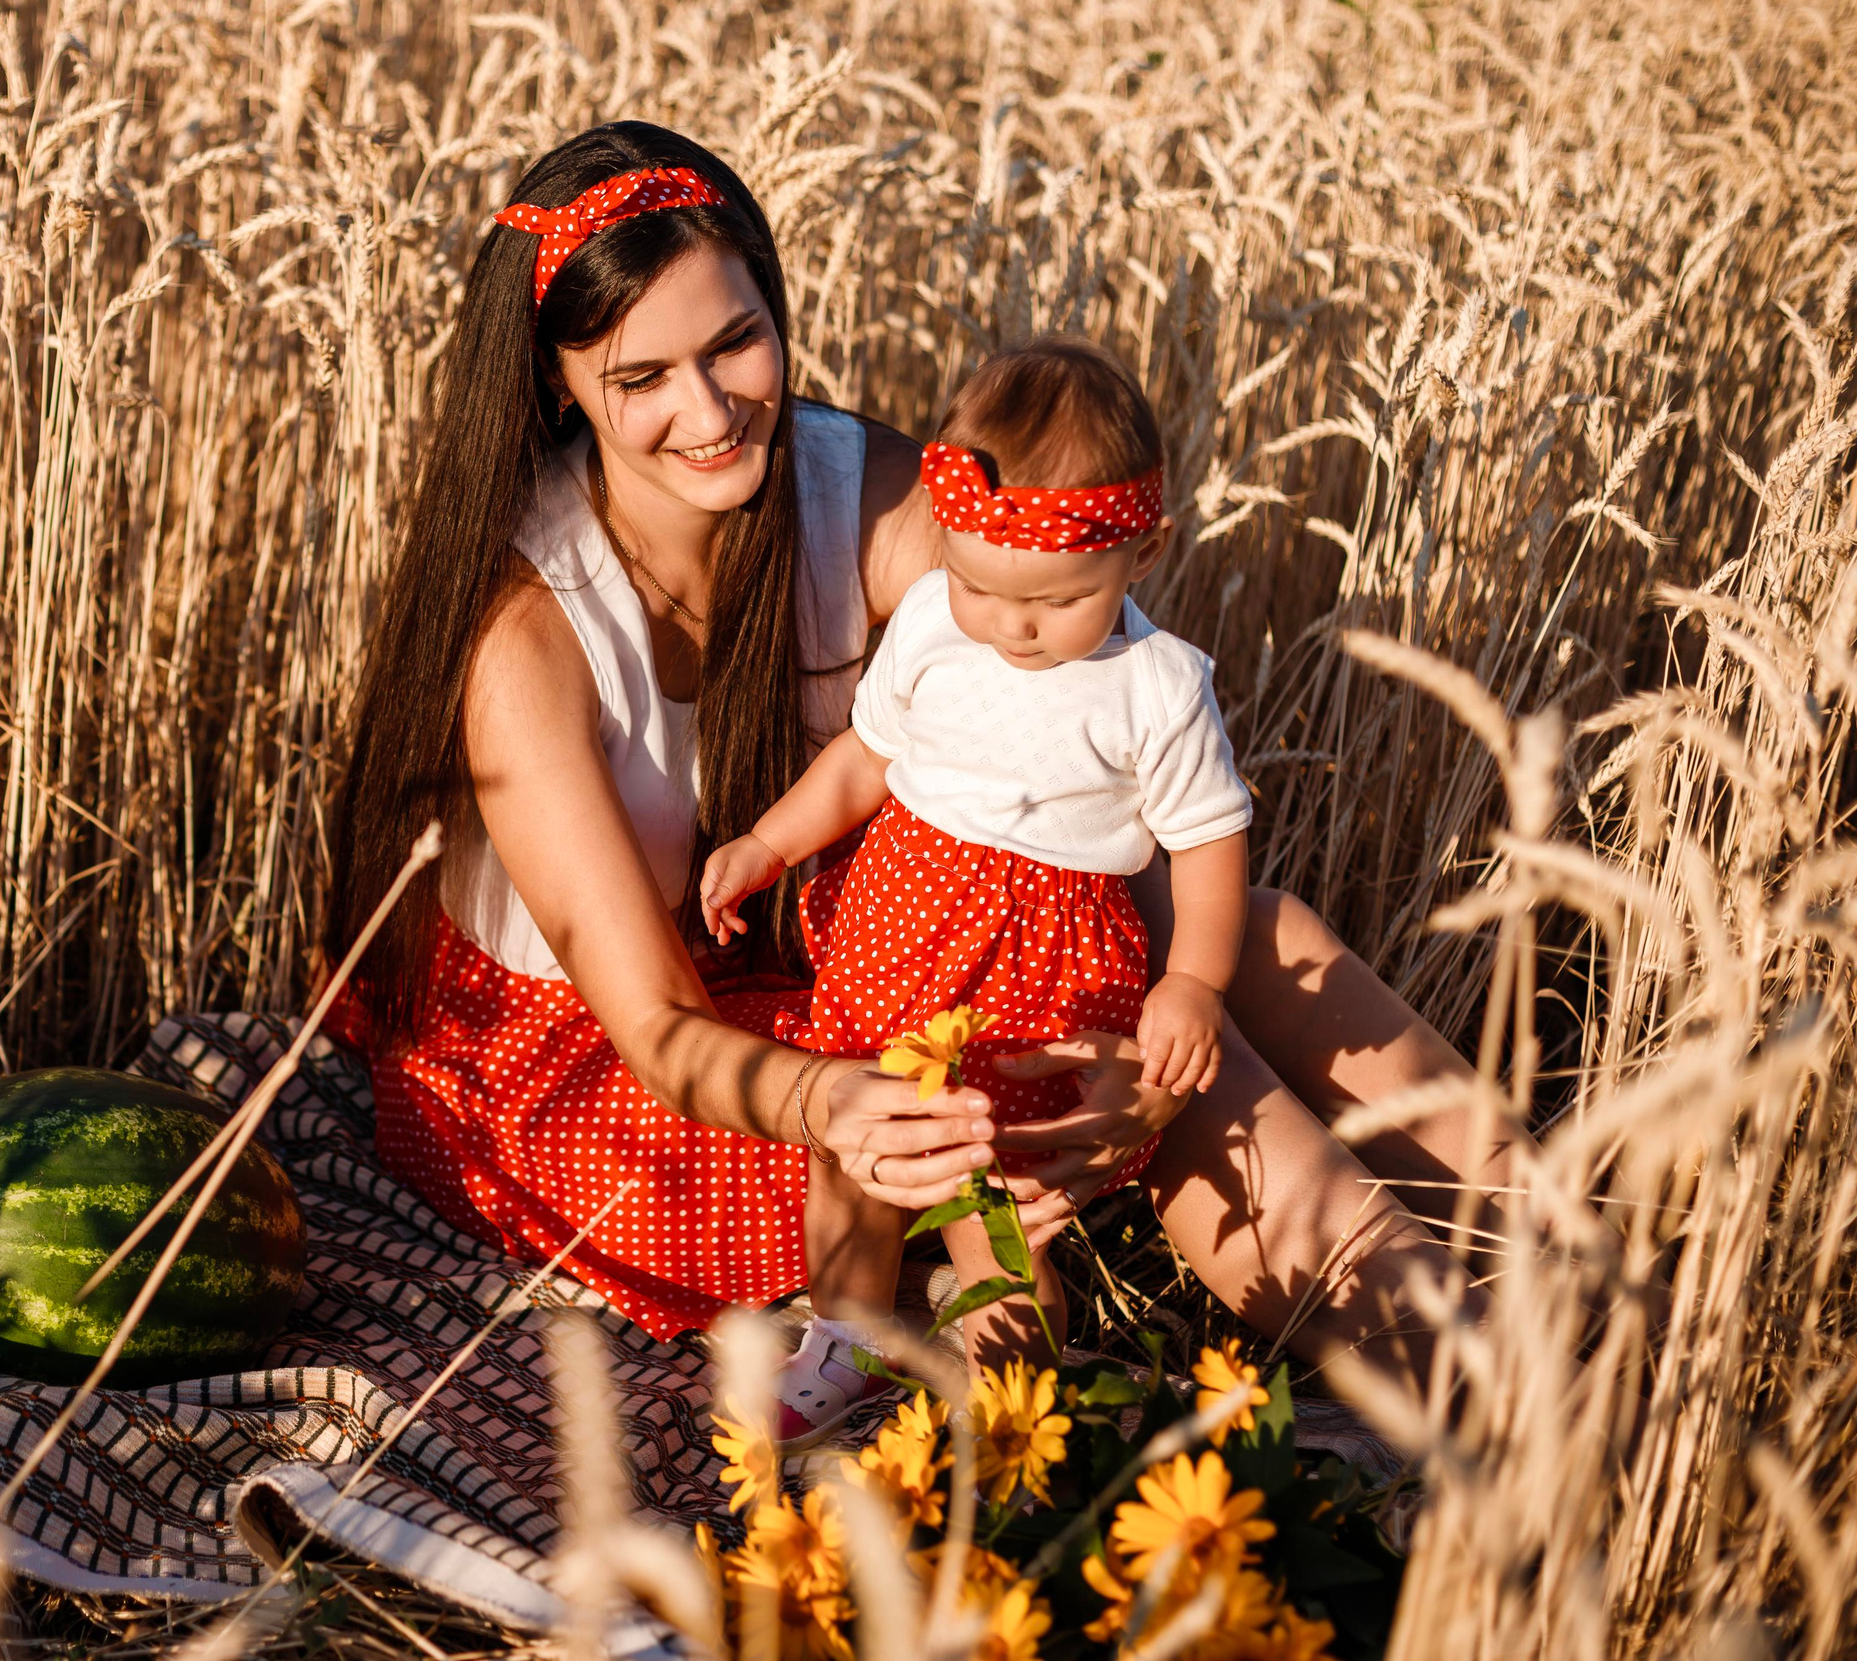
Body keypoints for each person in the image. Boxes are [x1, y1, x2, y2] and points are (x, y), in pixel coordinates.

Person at [323, 120, 1512, 1428]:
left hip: (817, 959)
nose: (711, 412)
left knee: (1247, 941)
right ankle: (1467, 1376)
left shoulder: (859, 488)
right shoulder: (527, 635)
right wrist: (853, 1099)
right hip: (604, 1087)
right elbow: (661, 1031)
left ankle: (1563, 1250)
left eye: (735, 342)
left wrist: (1141, 1030)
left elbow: (1080, 703)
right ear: (560, 387)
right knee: (1148, 1051)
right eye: (642, 375)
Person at [698, 339, 1252, 1437]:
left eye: (1054, 600)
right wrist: (765, 842)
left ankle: (1012, 1393)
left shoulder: (1156, 688)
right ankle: (843, 1331)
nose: (1011, 624)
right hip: (899, 929)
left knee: (994, 1195)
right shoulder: (933, 627)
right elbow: (867, 759)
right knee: (853, 1147)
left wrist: (1192, 981)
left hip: (1040, 973)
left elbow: (1208, 843)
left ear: (1144, 552)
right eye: (979, 584)